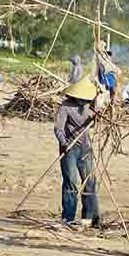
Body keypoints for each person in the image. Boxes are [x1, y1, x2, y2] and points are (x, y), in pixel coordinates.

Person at [54, 76, 102, 227]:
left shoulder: (91, 106)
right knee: (71, 183)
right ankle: (68, 218)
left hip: (86, 149)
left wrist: (98, 117)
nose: (84, 102)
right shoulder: (65, 106)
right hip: (69, 149)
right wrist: (64, 142)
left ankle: (90, 217)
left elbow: (94, 123)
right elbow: (58, 128)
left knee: (90, 182)